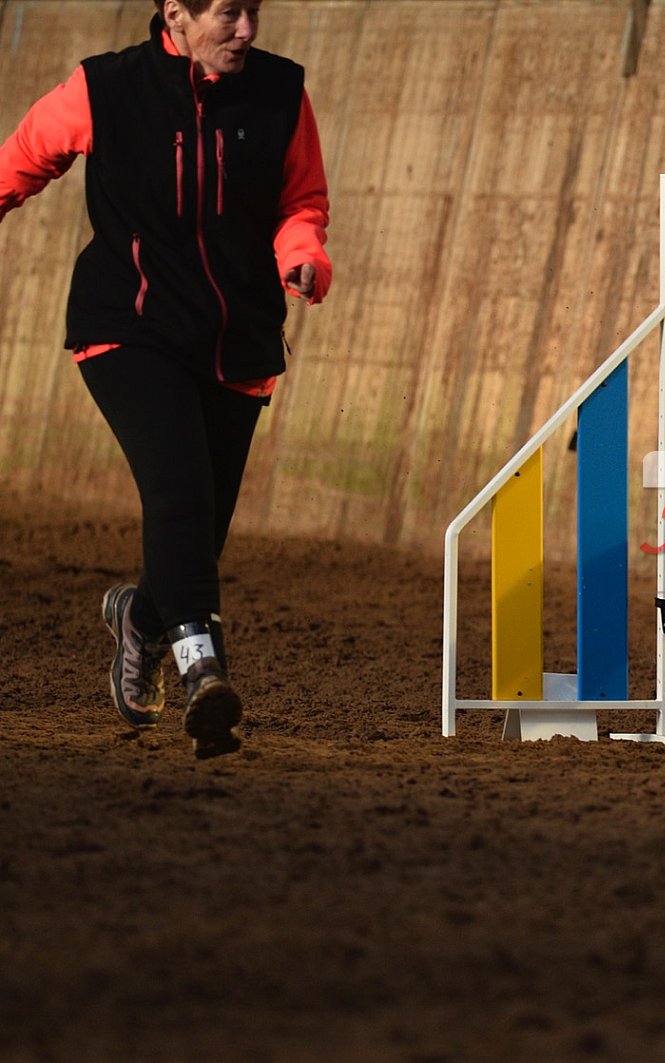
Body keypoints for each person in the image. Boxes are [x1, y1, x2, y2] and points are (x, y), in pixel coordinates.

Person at [0, 0, 332, 759]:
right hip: (130, 325)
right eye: (229, 13)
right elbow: (20, 158)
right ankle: (201, 668)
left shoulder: (281, 92)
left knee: (200, 529)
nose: (247, 30)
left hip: (238, 339)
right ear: (175, 13)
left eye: (253, 11)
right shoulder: (106, 87)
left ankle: (142, 618)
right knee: (179, 493)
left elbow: (301, 201)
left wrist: (301, 256)